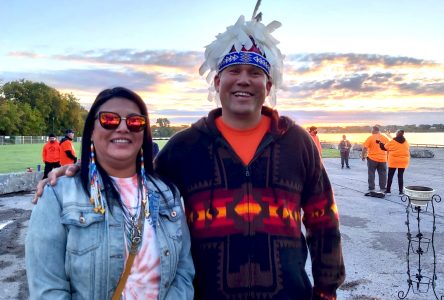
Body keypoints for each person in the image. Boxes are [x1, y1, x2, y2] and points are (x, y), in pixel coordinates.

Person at [35, 5, 345, 299]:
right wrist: (78, 170)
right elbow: (134, 179)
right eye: (234, 70)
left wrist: (326, 289)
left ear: (269, 83)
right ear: (217, 80)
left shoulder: (297, 142)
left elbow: (323, 221)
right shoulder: (185, 146)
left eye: (255, 72)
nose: (244, 80)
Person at [26, 87, 194, 299]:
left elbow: (183, 272)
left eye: (134, 121)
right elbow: (47, 289)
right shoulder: (58, 196)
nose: (123, 127)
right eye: (109, 119)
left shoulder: (167, 194)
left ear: (144, 132)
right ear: (91, 131)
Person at [377, 130, 410, 195]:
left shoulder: (393, 141)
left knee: (390, 176)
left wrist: (380, 143)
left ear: (397, 134)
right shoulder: (406, 141)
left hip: (394, 161)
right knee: (400, 176)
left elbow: (384, 147)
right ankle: (401, 192)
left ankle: (388, 191)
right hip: (403, 161)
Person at [362, 126, 389, 192]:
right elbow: (389, 147)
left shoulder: (370, 137)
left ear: (374, 130)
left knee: (371, 173)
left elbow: (365, 148)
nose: (371, 131)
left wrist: (363, 156)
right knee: (383, 174)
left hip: (372, 159)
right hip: (382, 159)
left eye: (372, 130)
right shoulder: (384, 138)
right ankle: (383, 187)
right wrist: (388, 157)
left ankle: (371, 188)